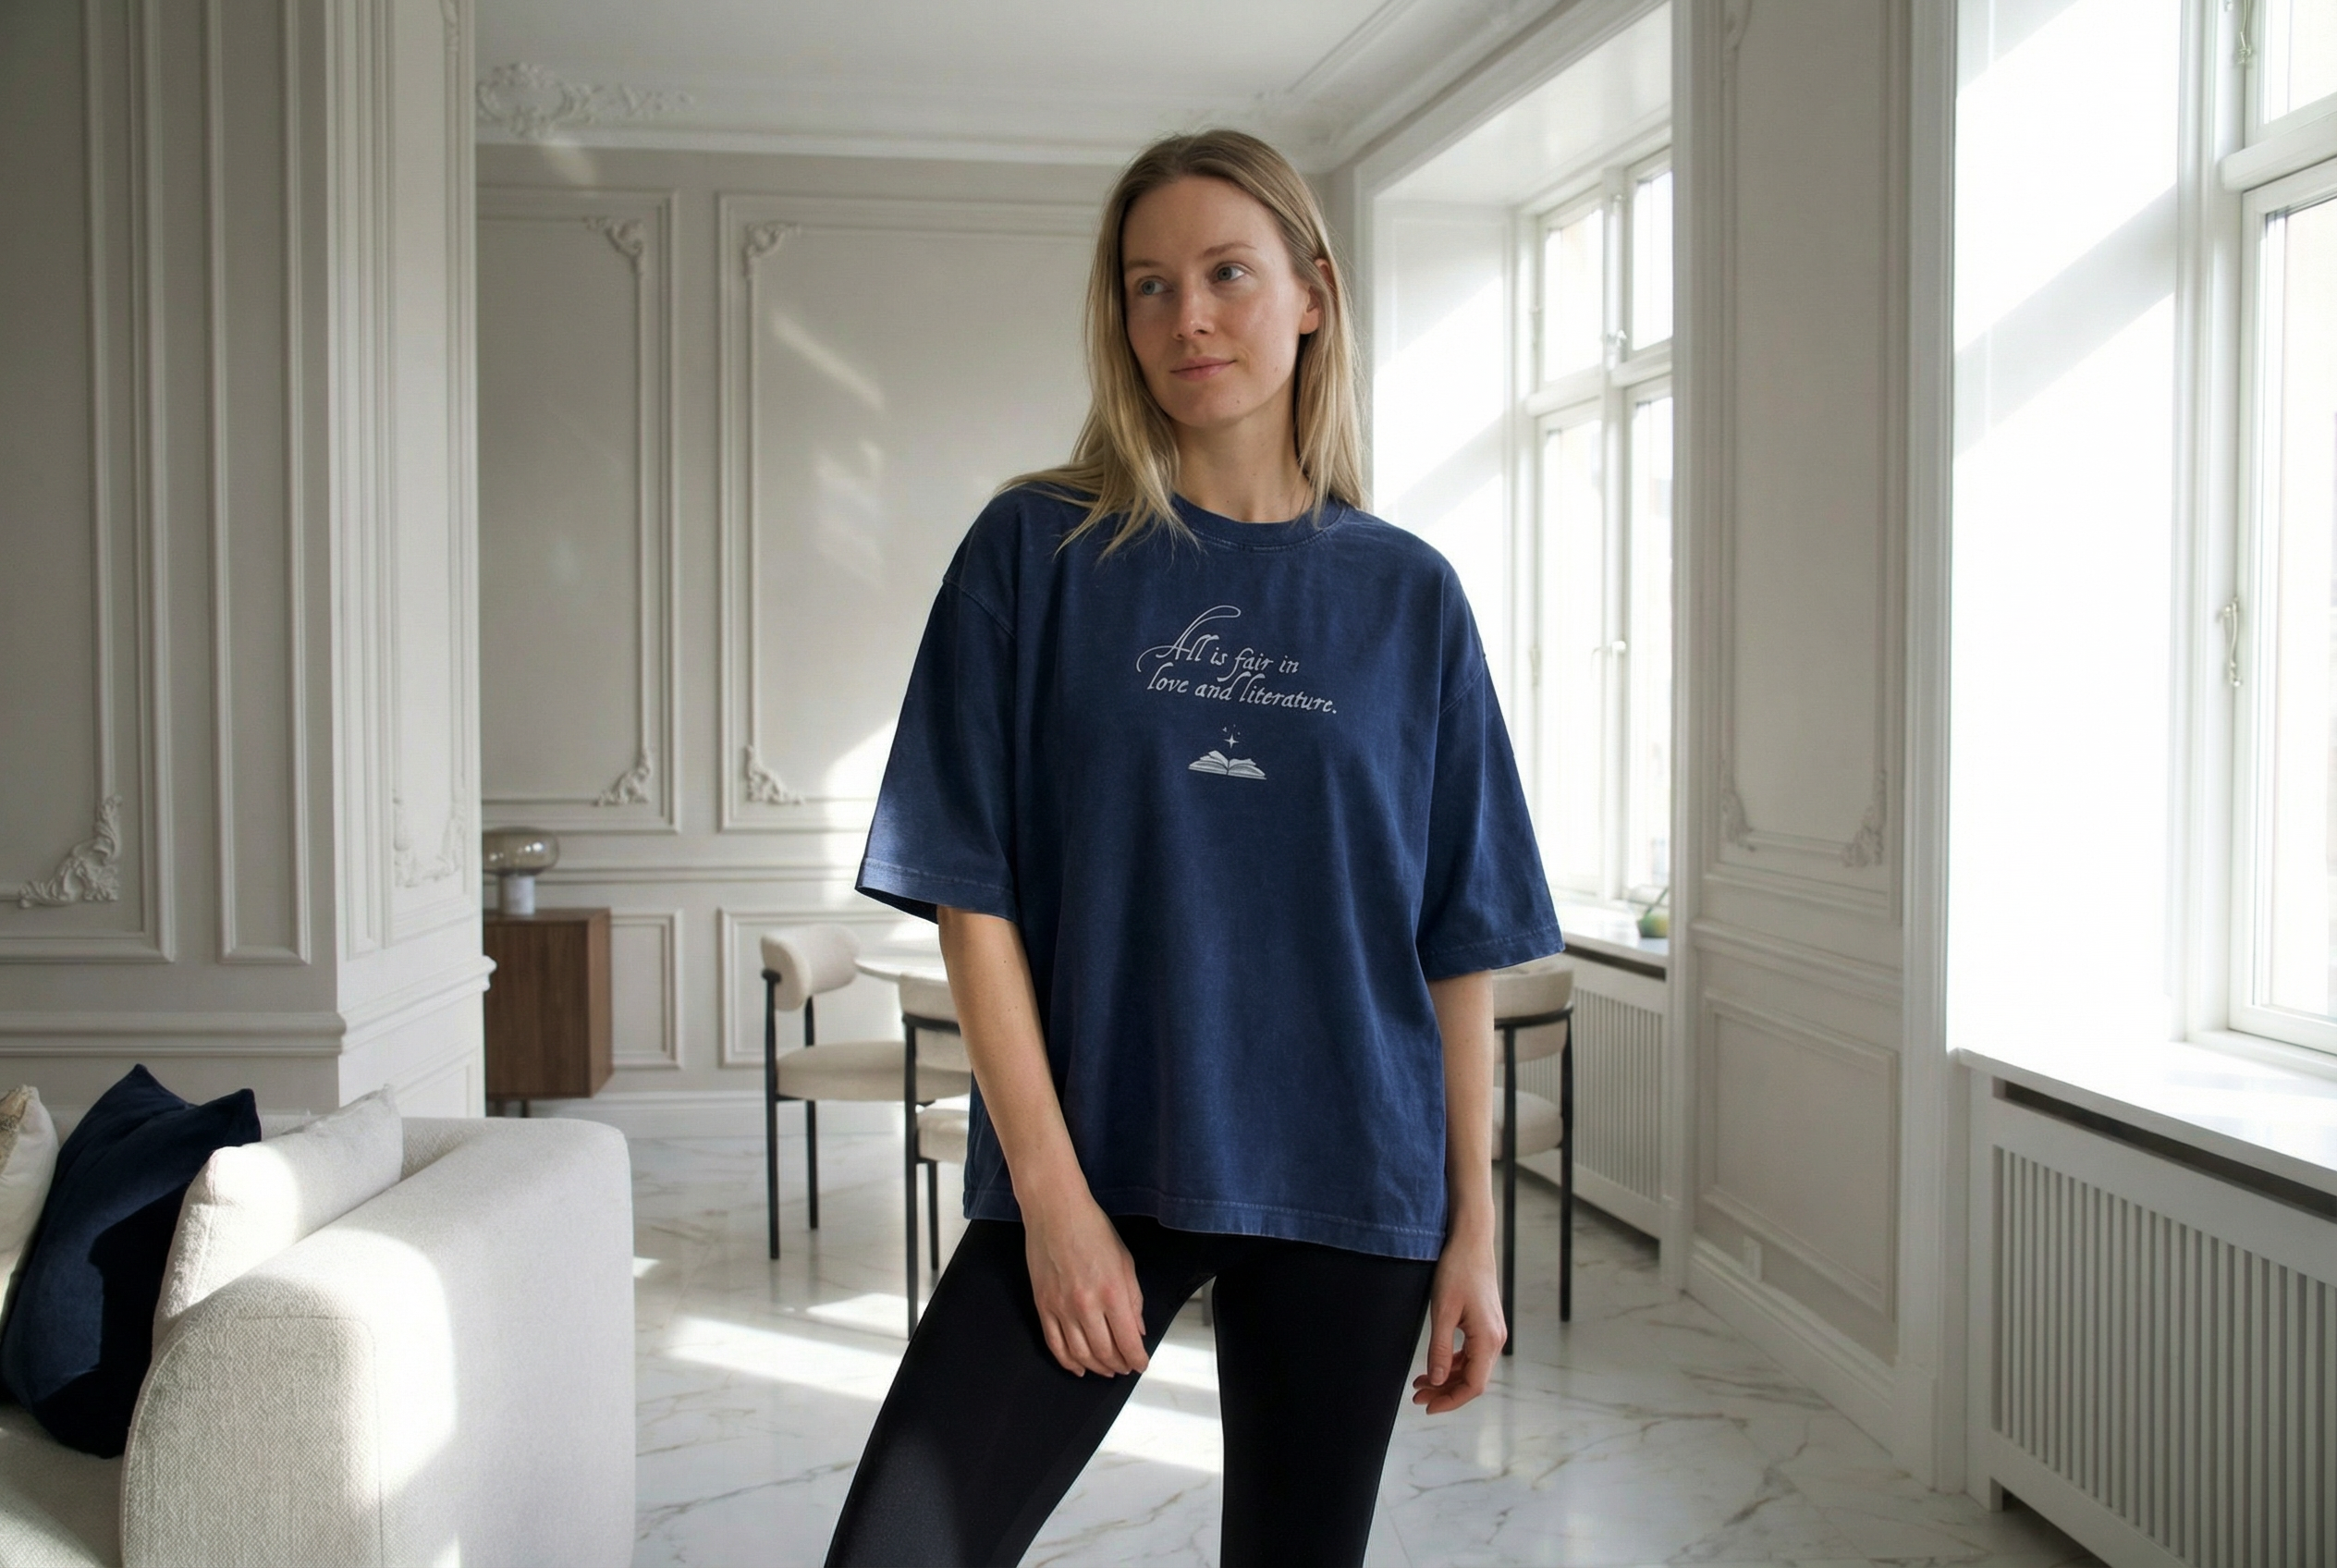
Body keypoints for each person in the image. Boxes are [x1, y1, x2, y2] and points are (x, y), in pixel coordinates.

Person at [827, 128, 1564, 1568]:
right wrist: (1049, 1203)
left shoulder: (1411, 598)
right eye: (1148, 286)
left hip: (1356, 1177)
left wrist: (1472, 1227)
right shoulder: (1034, 553)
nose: (1189, 318)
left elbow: (1454, 935)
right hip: (1097, 1156)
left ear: (1312, 296)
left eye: (1228, 273)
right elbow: (969, 893)